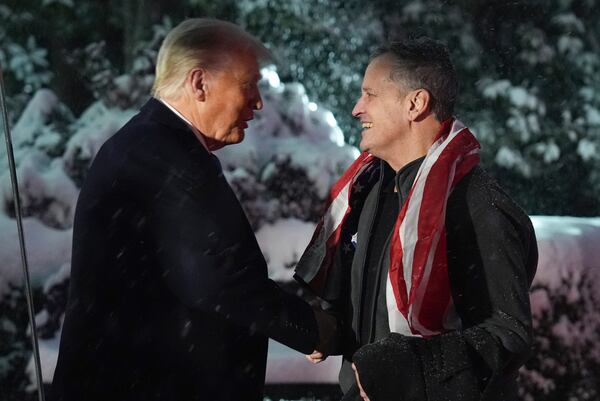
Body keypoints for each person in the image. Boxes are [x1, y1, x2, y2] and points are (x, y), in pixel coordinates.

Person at [51, 18, 332, 401]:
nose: (258, 101)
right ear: (199, 83)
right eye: (248, 84)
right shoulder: (166, 153)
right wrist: (314, 329)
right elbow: (219, 276)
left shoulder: (150, 143)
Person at [295, 38, 538, 401]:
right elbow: (376, 308)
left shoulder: (476, 203)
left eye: (370, 94)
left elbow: (509, 335)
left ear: (415, 103)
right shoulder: (371, 190)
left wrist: (406, 367)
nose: (357, 108)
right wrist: (330, 325)